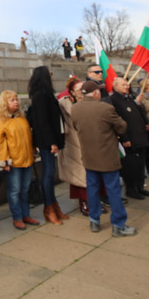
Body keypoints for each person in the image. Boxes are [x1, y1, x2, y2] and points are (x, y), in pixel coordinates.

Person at [70, 81, 136, 236]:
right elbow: (122, 127)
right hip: (107, 156)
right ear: (95, 93)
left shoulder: (75, 109)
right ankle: (118, 224)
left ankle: (94, 221)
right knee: (113, 190)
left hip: (88, 156)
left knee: (92, 189)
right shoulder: (105, 108)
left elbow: (75, 126)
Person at [27, 66, 68, 224]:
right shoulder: (40, 95)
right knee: (48, 174)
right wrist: (51, 142)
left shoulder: (45, 94)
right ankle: (49, 207)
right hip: (46, 141)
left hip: (50, 140)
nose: (52, 75)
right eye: (49, 73)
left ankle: (54, 205)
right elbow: (43, 122)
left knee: (50, 174)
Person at [0, 90, 37, 230]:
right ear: (4, 103)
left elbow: (28, 138)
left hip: (27, 159)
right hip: (13, 162)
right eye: (12, 100)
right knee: (15, 190)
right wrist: (4, 162)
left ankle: (26, 214)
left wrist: (33, 153)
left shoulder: (21, 117)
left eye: (16, 99)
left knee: (25, 189)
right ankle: (17, 217)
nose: (16, 102)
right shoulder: (1, 120)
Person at [110, 77, 149, 199]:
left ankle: (140, 187)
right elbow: (117, 121)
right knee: (131, 166)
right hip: (129, 139)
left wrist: (146, 122)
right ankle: (131, 189)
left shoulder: (129, 98)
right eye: (123, 85)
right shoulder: (114, 100)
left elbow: (139, 112)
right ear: (116, 86)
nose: (127, 86)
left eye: (127, 85)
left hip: (140, 137)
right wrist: (124, 138)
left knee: (140, 164)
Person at [57, 78, 90, 215]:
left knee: (92, 172)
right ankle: (84, 201)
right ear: (71, 91)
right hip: (74, 141)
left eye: (83, 88)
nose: (82, 91)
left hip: (90, 140)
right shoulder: (64, 102)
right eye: (79, 88)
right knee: (79, 172)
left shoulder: (90, 100)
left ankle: (94, 200)